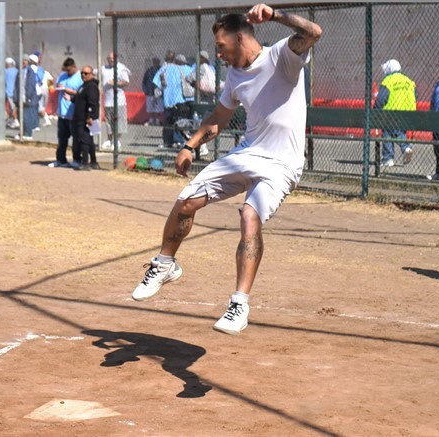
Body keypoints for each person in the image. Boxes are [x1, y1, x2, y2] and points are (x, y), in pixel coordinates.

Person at [132, 4, 322, 335]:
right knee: (186, 200)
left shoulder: (282, 56)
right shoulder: (234, 76)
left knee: (249, 217)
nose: (218, 54)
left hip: (282, 163)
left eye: (221, 46)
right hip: (247, 154)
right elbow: (219, 118)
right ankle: (165, 265)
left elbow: (313, 32)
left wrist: (275, 15)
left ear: (240, 38)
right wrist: (190, 145)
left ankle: (239, 304)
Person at [373, 59, 416, 167]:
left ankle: (404, 148)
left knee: (391, 131)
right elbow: (415, 95)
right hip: (408, 112)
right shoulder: (408, 80)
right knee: (391, 132)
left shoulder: (388, 81)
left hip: (391, 112)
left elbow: (381, 99)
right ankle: (389, 157)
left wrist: (375, 110)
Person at [153, 53, 193, 148]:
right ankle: (179, 140)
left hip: (169, 99)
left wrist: (156, 96)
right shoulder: (189, 69)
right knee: (181, 120)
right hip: (184, 99)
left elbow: (157, 82)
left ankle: (168, 142)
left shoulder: (165, 68)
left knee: (168, 121)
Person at [49, 57, 83, 168]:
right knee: (62, 139)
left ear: (74, 67)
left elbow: (82, 94)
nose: (67, 72)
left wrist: (68, 91)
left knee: (76, 139)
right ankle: (61, 160)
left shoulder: (80, 77)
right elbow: (57, 87)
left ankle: (77, 160)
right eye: (65, 70)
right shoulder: (62, 76)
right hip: (62, 113)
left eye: (69, 70)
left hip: (73, 113)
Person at [72, 66, 101, 170]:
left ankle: (85, 163)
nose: (83, 75)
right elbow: (80, 98)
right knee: (89, 140)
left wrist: (90, 116)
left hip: (86, 118)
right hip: (81, 117)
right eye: (82, 73)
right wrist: (71, 99)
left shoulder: (91, 86)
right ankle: (93, 162)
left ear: (92, 74)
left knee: (84, 140)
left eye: (86, 73)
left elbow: (92, 102)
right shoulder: (84, 85)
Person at [100, 51, 131, 151]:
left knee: (118, 121)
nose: (111, 60)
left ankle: (117, 140)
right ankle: (109, 140)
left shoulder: (121, 68)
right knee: (109, 122)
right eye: (109, 59)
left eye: (113, 59)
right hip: (107, 100)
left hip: (119, 101)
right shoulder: (104, 68)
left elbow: (126, 82)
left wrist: (115, 83)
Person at [14, 54, 40, 140]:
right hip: (20, 97)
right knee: (20, 116)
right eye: (22, 60)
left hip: (28, 98)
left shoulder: (30, 71)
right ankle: (21, 132)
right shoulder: (20, 71)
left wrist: (28, 97)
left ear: (28, 62)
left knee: (27, 116)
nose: (23, 62)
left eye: (25, 60)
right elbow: (17, 84)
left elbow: (31, 85)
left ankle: (28, 134)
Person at [142, 56, 163, 126]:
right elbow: (144, 81)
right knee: (150, 107)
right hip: (150, 91)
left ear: (159, 62)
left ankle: (157, 120)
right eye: (154, 61)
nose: (155, 63)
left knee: (158, 107)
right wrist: (145, 90)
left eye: (157, 61)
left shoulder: (161, 70)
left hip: (159, 92)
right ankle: (151, 120)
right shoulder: (149, 71)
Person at [4, 57, 19, 128]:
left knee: (12, 108)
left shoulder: (5, 71)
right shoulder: (17, 71)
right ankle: (11, 120)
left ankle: (16, 121)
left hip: (8, 92)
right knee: (14, 107)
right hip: (16, 91)